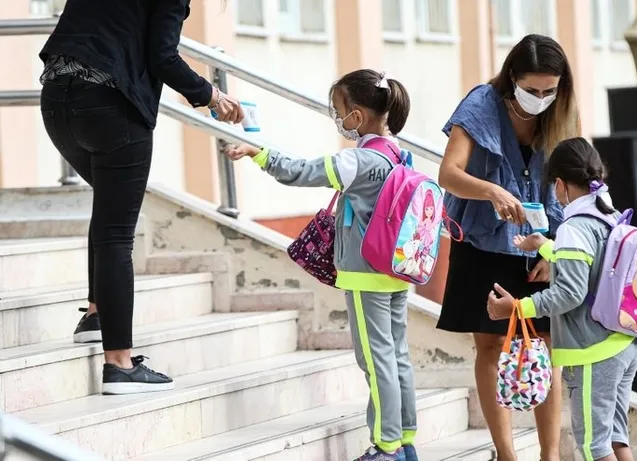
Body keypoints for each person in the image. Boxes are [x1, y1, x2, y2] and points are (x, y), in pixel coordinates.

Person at [38, 0, 244, 395]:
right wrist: (212, 96)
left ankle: (96, 315)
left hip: (58, 103)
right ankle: (119, 364)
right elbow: (163, 57)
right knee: (116, 232)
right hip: (111, 106)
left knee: (109, 212)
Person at [225, 69, 417, 461]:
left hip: (365, 274)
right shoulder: (398, 154)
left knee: (375, 358)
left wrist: (258, 151)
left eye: (340, 111)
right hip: (396, 270)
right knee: (397, 355)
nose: (339, 119)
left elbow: (299, 172)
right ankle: (406, 439)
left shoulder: (357, 160)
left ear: (357, 116)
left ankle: (386, 446)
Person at [436, 34, 580, 461]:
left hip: (541, 245)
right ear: (513, 77)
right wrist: (491, 191)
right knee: (490, 346)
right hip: (482, 243)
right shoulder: (482, 104)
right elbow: (449, 173)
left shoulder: (561, 111)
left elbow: (574, 189)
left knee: (546, 346)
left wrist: (554, 250)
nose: (541, 99)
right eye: (532, 90)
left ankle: (550, 455)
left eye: (549, 91)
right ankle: (506, 454)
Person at [487, 137, 637, 461]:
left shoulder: (574, 227)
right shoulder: (610, 215)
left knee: (594, 447)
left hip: (594, 352)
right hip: (625, 343)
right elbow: (592, 264)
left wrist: (518, 307)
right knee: (616, 439)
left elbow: (571, 293)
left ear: (560, 184)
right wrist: (544, 245)